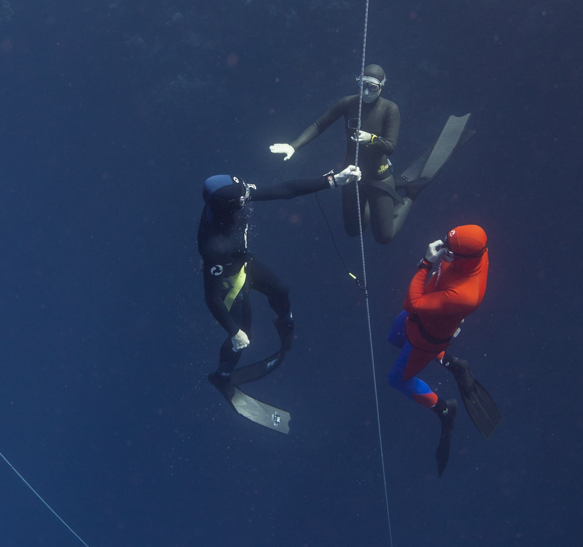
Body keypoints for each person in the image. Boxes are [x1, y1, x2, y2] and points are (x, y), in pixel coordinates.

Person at [269, 63, 470, 244]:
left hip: (379, 176)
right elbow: (319, 125)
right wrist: (293, 146)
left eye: (372, 87)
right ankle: (382, 197)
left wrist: (371, 138)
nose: (366, 92)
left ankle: (411, 194)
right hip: (351, 176)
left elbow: (390, 147)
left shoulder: (390, 109)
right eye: (362, 85)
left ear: (382, 86)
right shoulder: (348, 103)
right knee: (353, 231)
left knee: (384, 237)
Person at [199, 167, 360, 378]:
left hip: (244, 261)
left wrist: (332, 180)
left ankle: (284, 323)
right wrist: (234, 332)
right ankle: (222, 375)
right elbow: (212, 298)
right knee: (243, 337)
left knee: (281, 291)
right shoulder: (214, 247)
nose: (247, 194)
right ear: (229, 206)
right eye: (242, 196)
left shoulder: (233, 198)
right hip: (229, 283)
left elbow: (282, 190)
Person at [387, 224, 495, 475]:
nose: (444, 247)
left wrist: (426, 263)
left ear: (464, 258)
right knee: (394, 338)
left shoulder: (464, 294)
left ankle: (445, 409)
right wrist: (449, 256)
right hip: (427, 312)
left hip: (425, 337)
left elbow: (412, 303)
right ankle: (450, 362)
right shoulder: (478, 253)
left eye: (450, 248)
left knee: (397, 380)